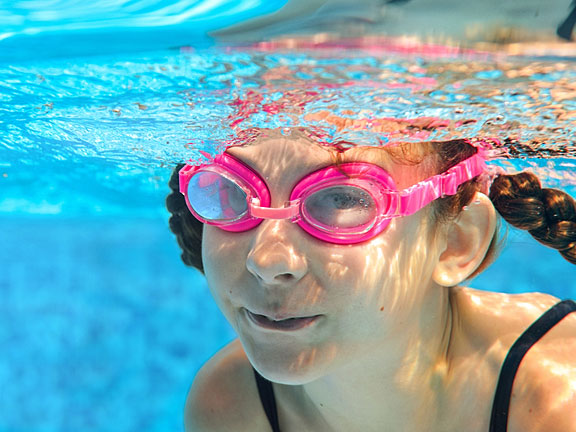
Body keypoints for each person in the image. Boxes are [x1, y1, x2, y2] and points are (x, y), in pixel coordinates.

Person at [165, 127, 576, 432]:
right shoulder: (230, 405)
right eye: (232, 190)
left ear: (455, 241)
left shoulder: (557, 400)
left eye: (343, 200)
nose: (266, 259)